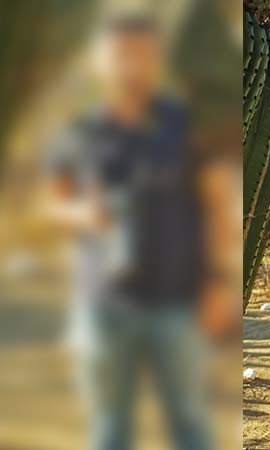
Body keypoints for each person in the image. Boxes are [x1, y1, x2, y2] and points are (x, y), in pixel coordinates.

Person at [44, 13, 212, 450]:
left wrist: (219, 283)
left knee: (190, 423)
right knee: (109, 428)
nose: (130, 65)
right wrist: (83, 214)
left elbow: (213, 202)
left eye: (141, 54)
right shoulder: (79, 132)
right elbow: (52, 204)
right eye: (120, 55)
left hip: (176, 305)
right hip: (103, 306)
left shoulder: (183, 124)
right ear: (101, 62)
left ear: (155, 60)